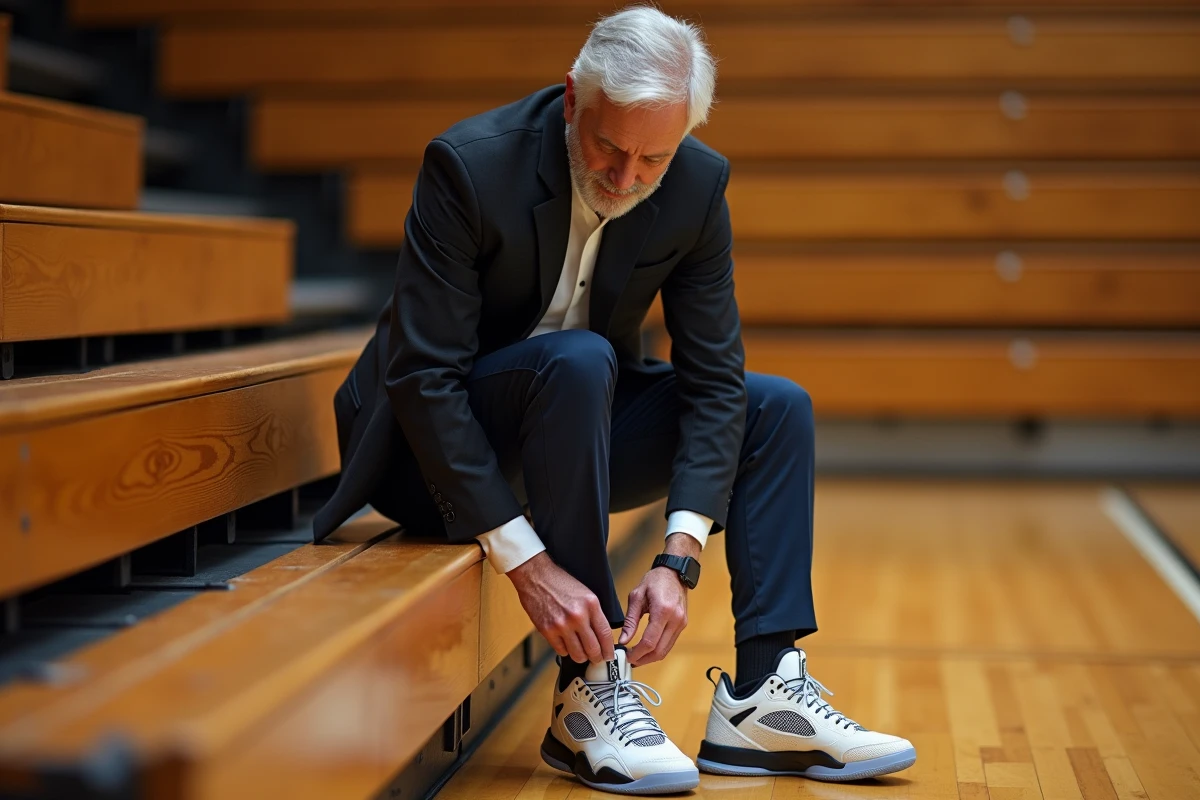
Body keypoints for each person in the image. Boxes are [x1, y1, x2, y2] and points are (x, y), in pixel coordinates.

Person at [313, 5, 915, 793]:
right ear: (572, 99)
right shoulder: (468, 165)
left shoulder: (697, 185)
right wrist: (526, 563)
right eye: (609, 146)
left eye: (652, 158)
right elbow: (423, 380)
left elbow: (713, 378)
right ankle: (589, 688)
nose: (626, 177)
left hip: (575, 425)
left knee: (777, 409)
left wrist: (680, 557)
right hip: (429, 459)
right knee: (578, 359)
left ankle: (764, 699)